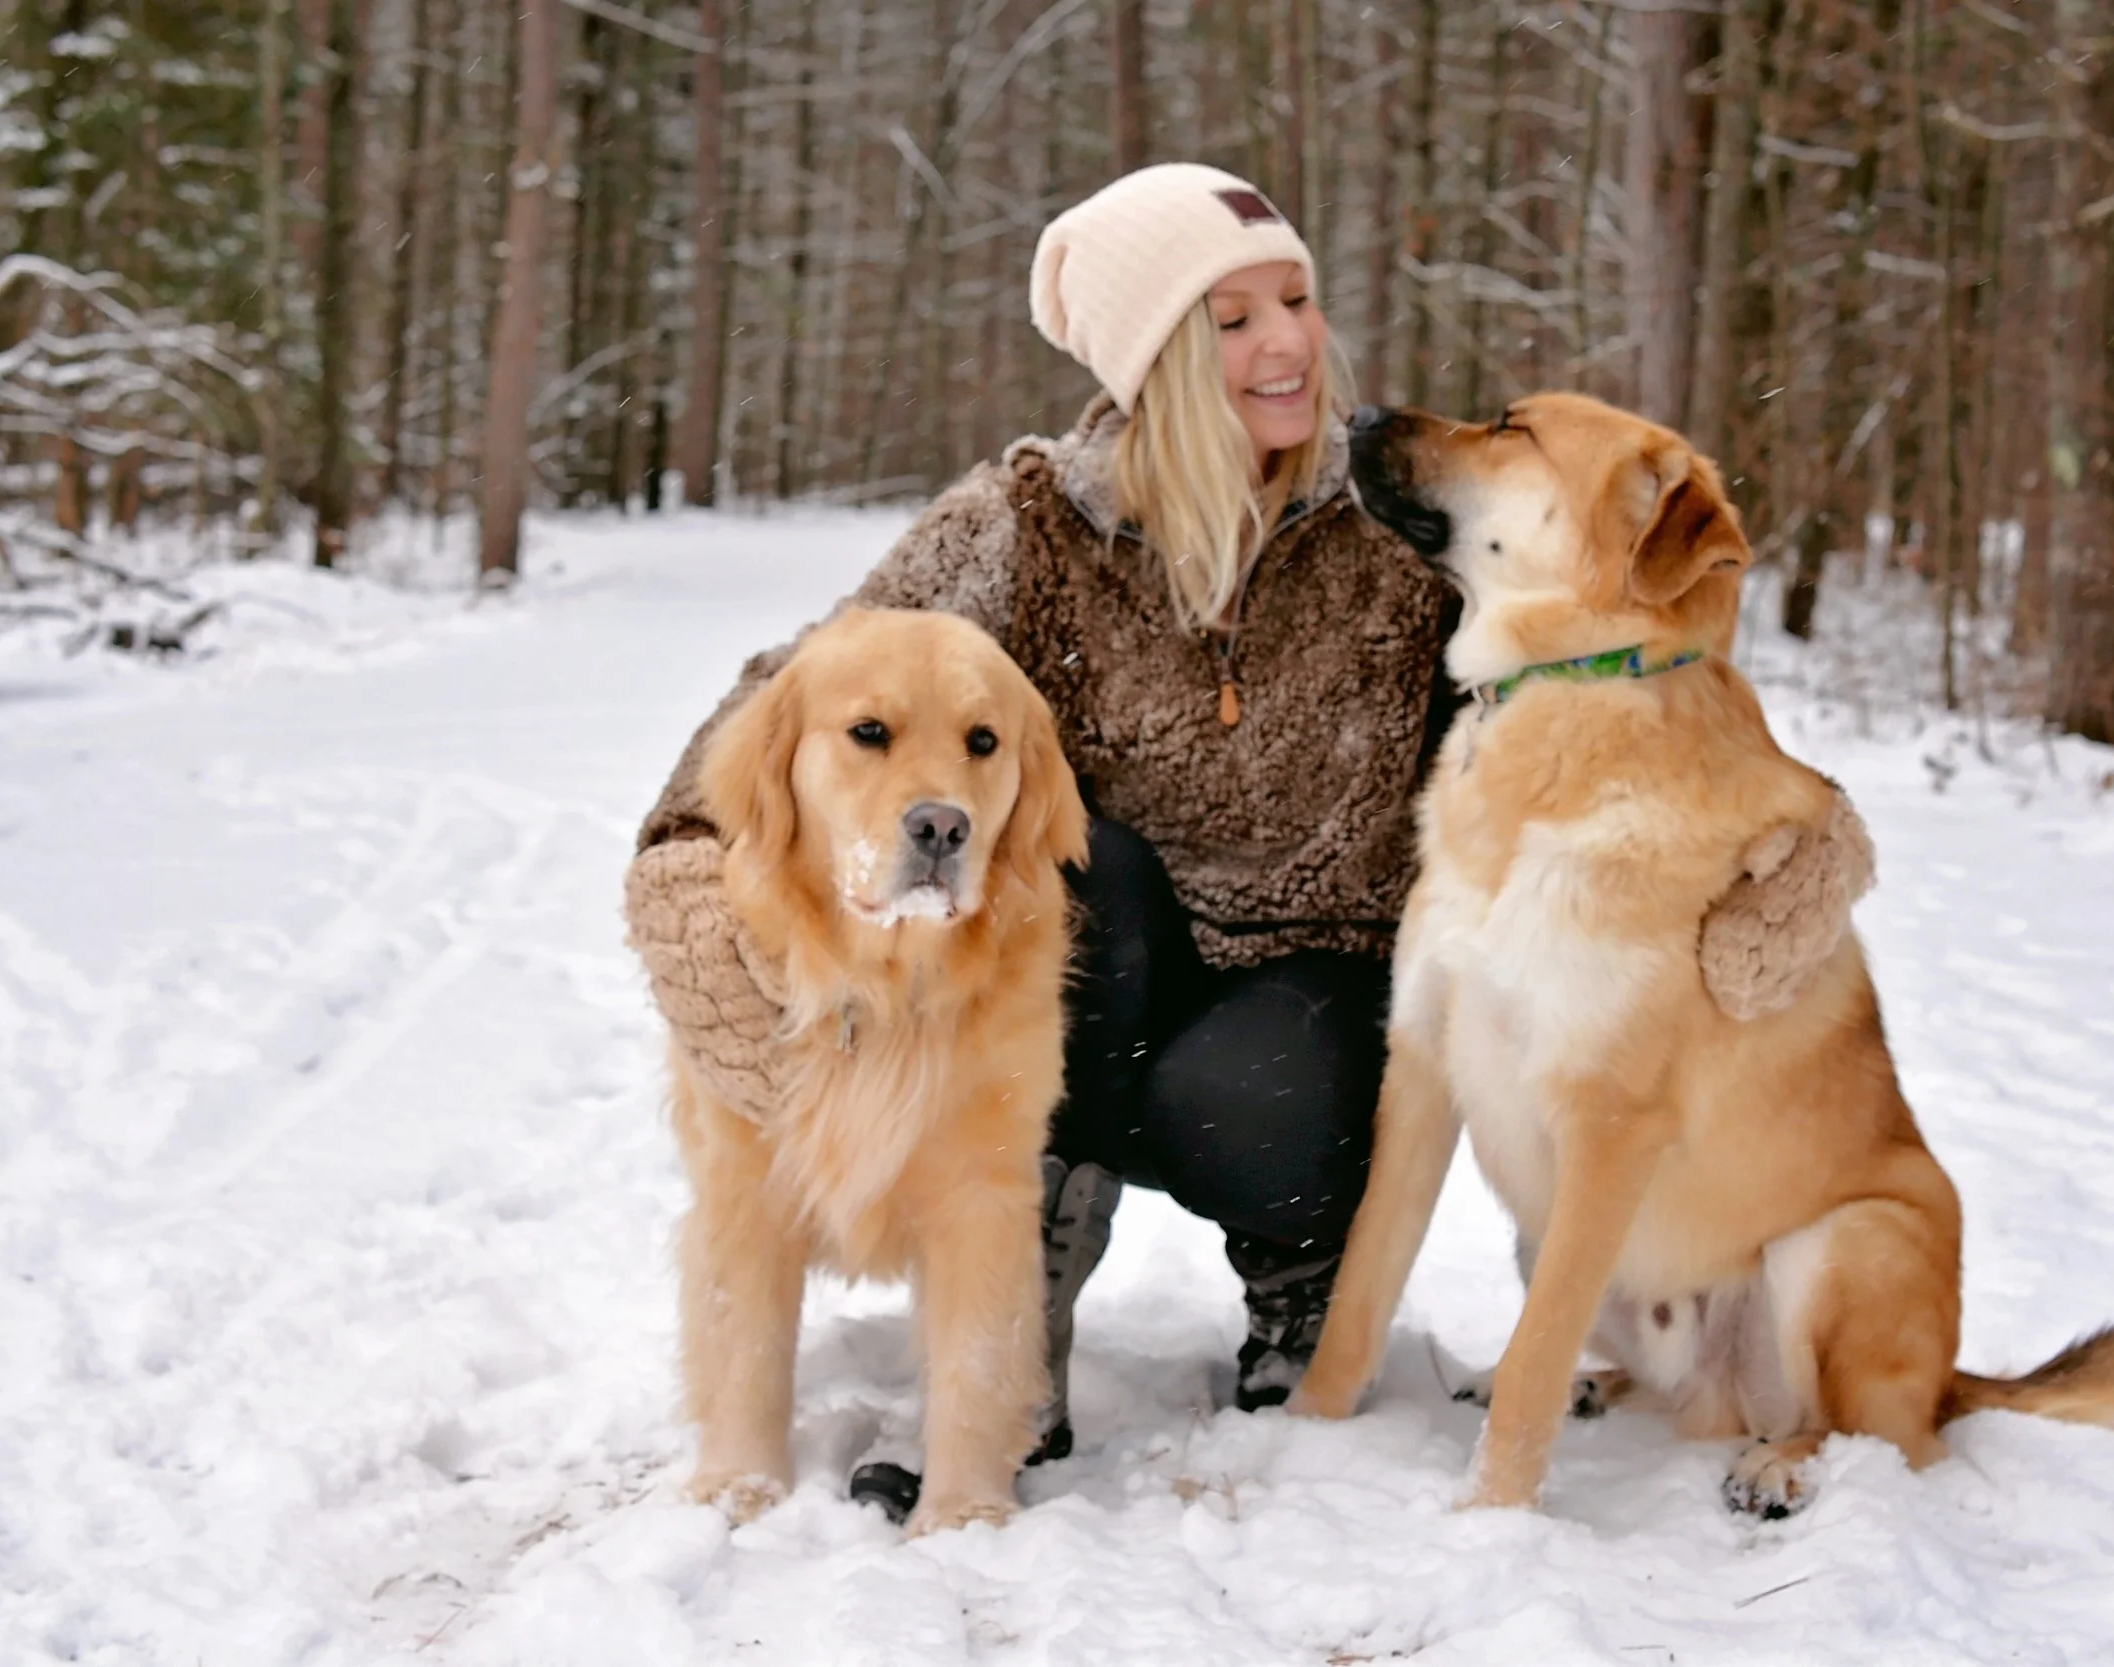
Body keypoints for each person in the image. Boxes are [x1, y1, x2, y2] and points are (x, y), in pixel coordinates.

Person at [624, 163, 1870, 1516]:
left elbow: (1631, 684)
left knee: (1281, 1085)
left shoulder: (1391, 529)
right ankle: (1015, 1306)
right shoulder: (1029, 528)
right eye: (1232, 319)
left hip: (1307, 997)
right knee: (1089, 880)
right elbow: (783, 712)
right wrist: (695, 921)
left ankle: (1301, 1283)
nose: (1288, 342)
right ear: (1155, 362)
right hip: (1102, 993)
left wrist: (1807, 850)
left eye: (1297, 299)